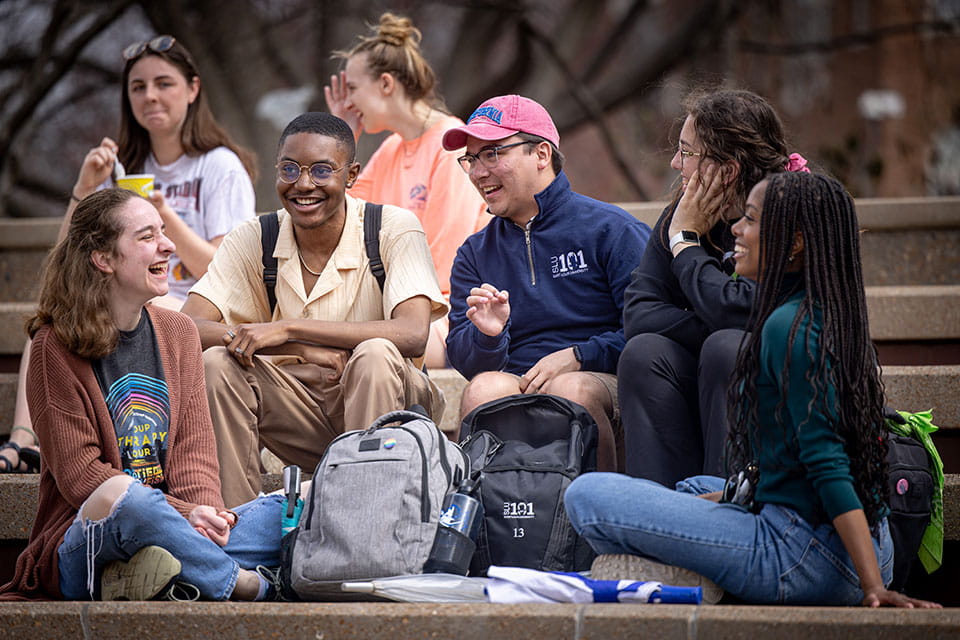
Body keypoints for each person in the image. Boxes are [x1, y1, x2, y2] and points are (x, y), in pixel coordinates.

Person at [565, 172, 941, 608]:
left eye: (751, 220)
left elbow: (827, 462)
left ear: (794, 244)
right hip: (849, 541)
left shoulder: (787, 328)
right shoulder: (822, 312)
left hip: (799, 556)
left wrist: (874, 588)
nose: (737, 231)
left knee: (586, 497)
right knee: (693, 488)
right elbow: (800, 464)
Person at [0, 189, 280, 601]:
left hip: (175, 528)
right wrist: (185, 515)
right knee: (127, 500)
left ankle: (160, 573)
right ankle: (242, 583)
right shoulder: (53, 347)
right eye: (147, 236)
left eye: (162, 232)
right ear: (104, 258)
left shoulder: (179, 333)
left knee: (292, 509)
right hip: (89, 538)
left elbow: (195, 456)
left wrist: (205, 516)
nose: (168, 245)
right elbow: (84, 480)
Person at [2, 35, 256, 475]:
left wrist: (165, 217)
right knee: (53, 316)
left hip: (194, 304)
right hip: (122, 295)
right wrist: (84, 190)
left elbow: (226, 273)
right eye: (138, 87)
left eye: (164, 83)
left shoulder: (219, 166)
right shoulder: (122, 169)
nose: (150, 96)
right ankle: (25, 440)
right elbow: (69, 261)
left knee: (144, 315)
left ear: (193, 89)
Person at [182, 112, 447, 507]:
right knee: (218, 364)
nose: (303, 184)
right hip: (299, 413)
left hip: (391, 412)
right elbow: (186, 327)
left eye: (322, 170)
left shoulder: (391, 227)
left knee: (373, 355)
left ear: (352, 174)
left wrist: (292, 330)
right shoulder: (256, 237)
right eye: (290, 169)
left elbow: (412, 334)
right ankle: (238, 534)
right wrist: (300, 351)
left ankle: (364, 523)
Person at [442, 95, 651, 471]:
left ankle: (594, 517)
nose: (477, 172)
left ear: (541, 154)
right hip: (518, 379)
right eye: (472, 160)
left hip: (603, 378)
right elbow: (466, 362)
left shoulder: (612, 230)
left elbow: (649, 327)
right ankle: (487, 523)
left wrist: (580, 356)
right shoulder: (474, 253)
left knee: (571, 389)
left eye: (492, 154)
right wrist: (488, 336)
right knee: (483, 390)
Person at [619, 89, 804, 486]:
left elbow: (753, 311)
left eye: (686, 153)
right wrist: (714, 321)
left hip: (784, 382)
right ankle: (659, 514)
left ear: (728, 169)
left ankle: (724, 507)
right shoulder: (682, 212)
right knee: (644, 353)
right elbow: (637, 313)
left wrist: (685, 244)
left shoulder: (789, 218)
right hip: (711, 369)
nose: (675, 163)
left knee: (728, 348)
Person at [325, 13, 487, 368]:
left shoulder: (450, 145)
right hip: (389, 308)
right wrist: (342, 137)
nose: (348, 102)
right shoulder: (391, 149)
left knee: (347, 351)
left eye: (352, 89)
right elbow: (334, 217)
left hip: (442, 313)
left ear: (385, 84)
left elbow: (448, 259)